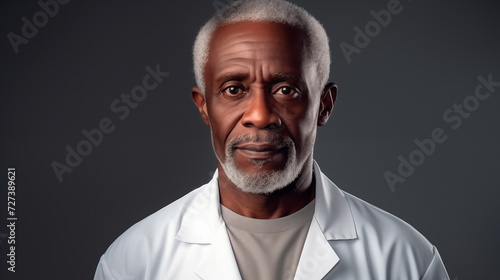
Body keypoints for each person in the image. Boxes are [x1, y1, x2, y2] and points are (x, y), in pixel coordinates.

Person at [93, 0, 450, 279]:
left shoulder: (407, 261)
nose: (260, 115)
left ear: (324, 105)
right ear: (204, 108)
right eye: (233, 89)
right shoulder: (132, 263)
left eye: (286, 89)